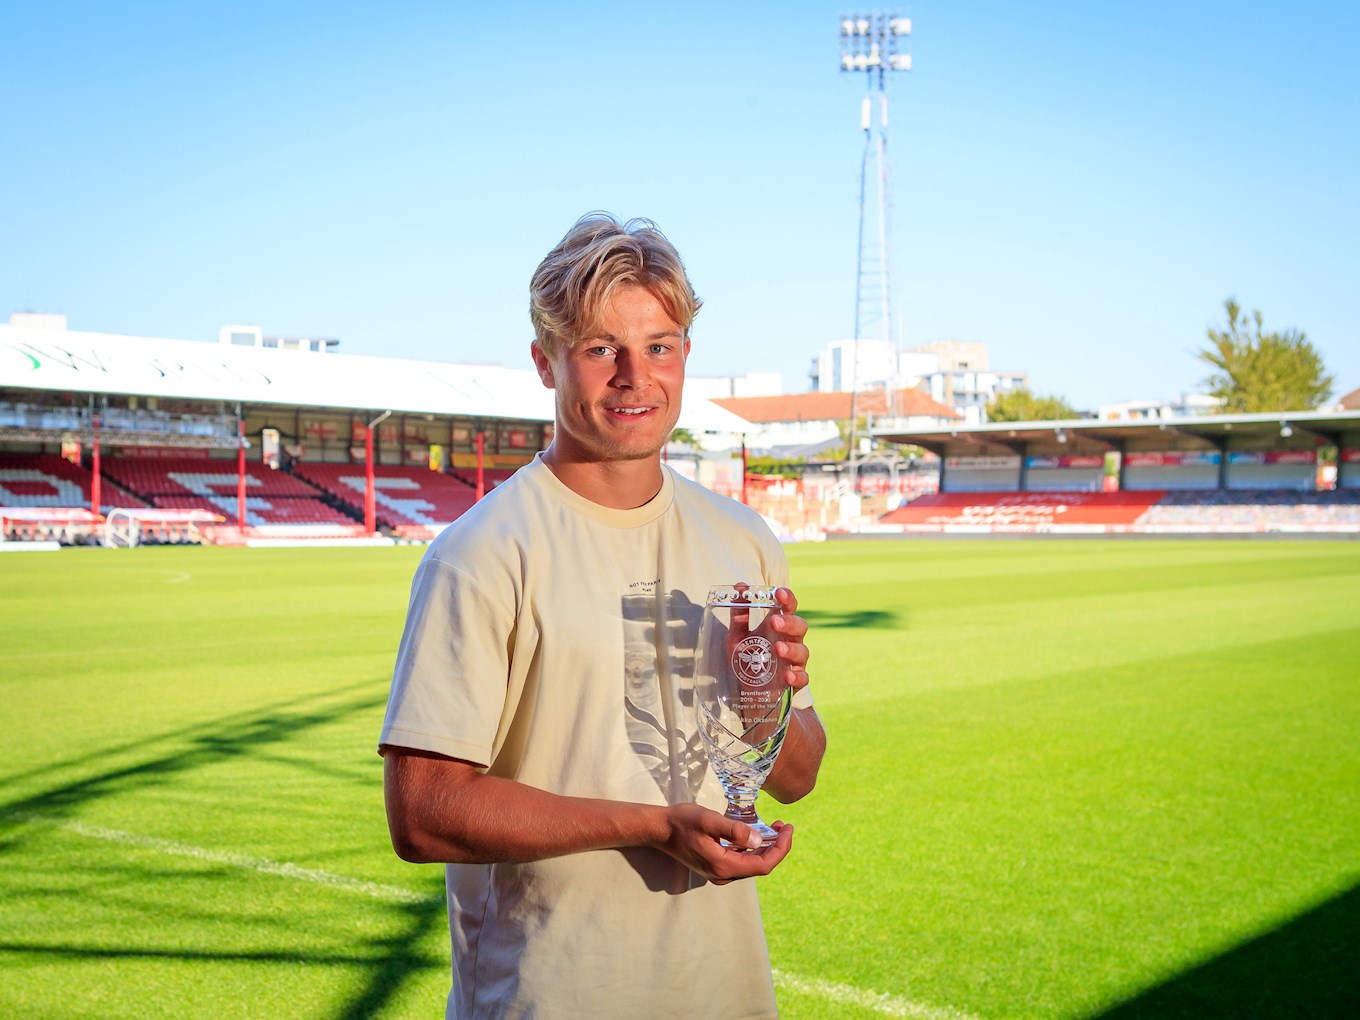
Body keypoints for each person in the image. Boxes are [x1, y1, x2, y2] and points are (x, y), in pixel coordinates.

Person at [379, 212, 827, 1019]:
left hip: (722, 995)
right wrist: (655, 826)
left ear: (686, 355)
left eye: (658, 345)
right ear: (545, 362)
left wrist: (772, 701)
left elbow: (796, 776)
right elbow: (424, 812)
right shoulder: (482, 554)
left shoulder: (744, 540)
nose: (634, 376)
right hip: (551, 996)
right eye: (598, 348)